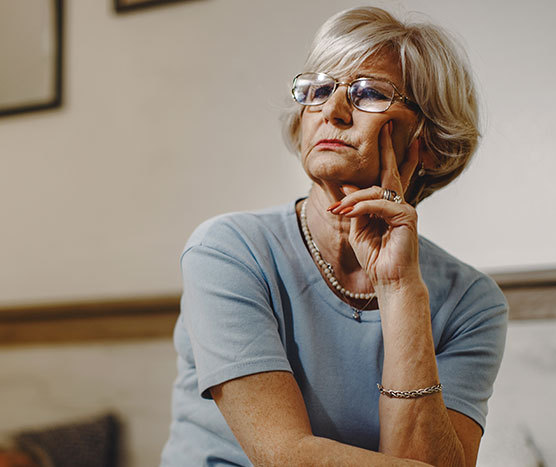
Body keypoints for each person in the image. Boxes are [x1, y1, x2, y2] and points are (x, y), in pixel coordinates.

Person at [161, 6, 507, 466]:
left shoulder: (471, 303)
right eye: (319, 89)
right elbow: (286, 457)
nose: (332, 110)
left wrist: (400, 289)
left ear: (425, 140)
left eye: (368, 94)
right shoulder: (227, 250)